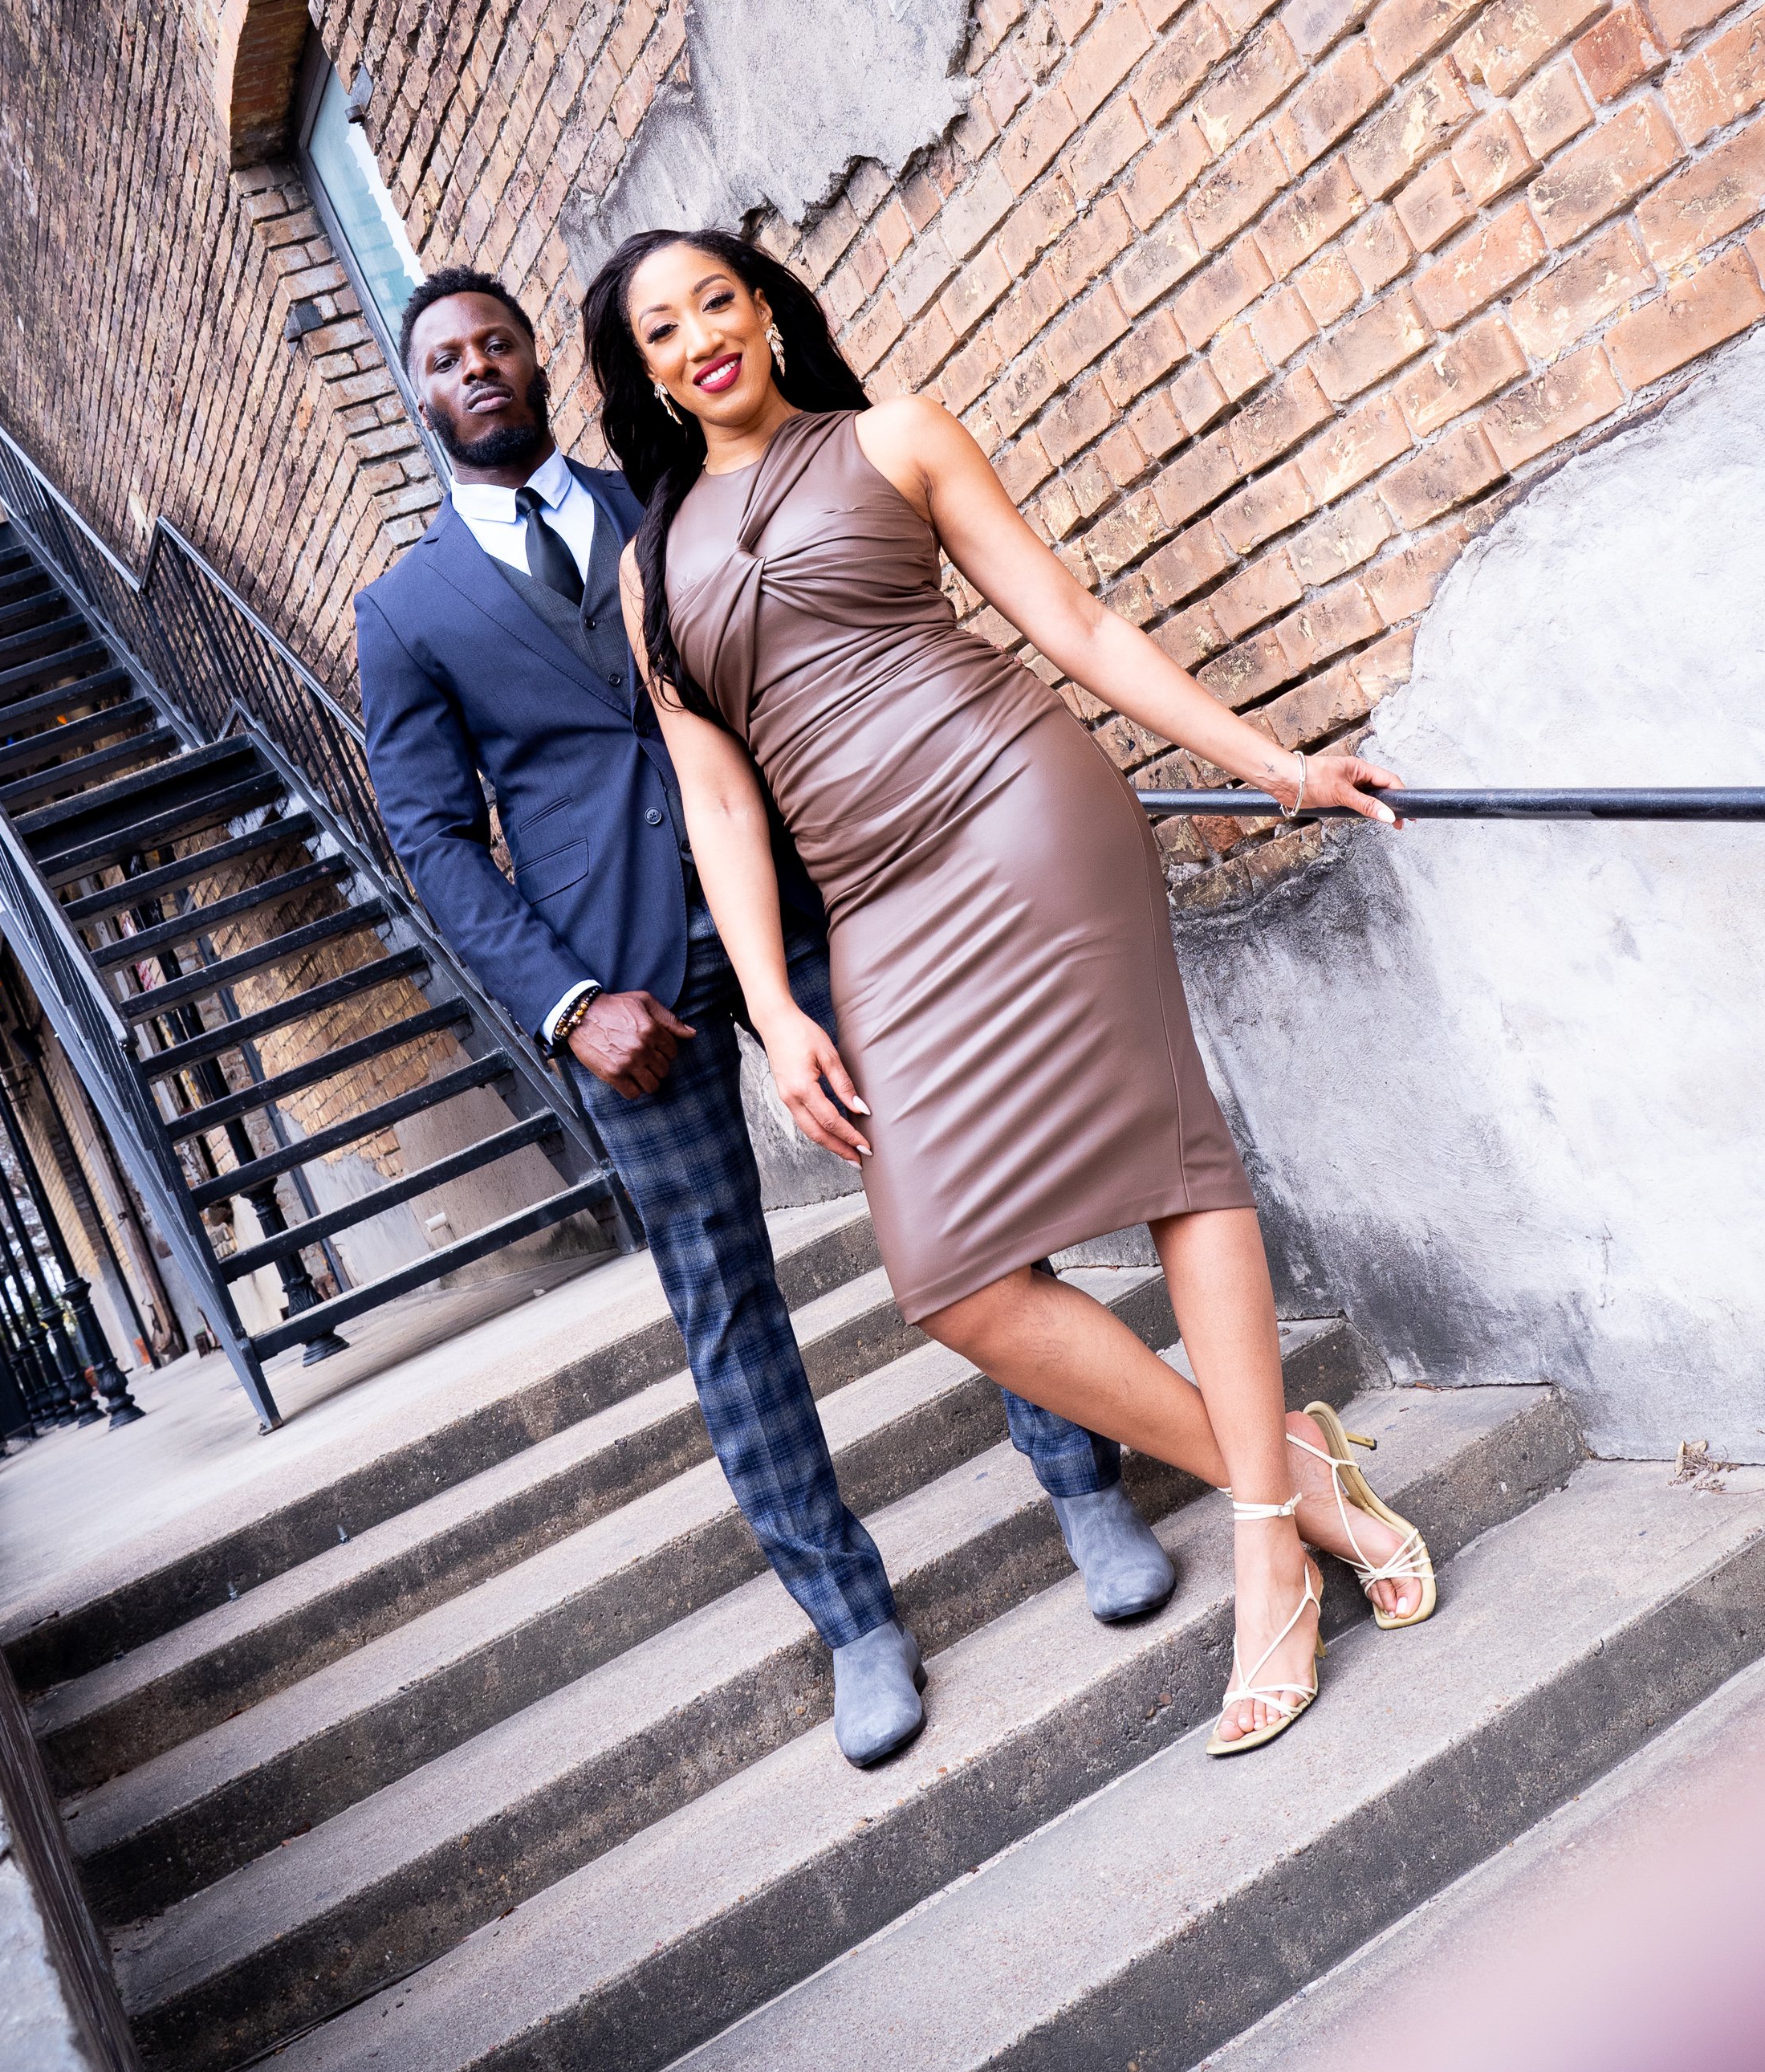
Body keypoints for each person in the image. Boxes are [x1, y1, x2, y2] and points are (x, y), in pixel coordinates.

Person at [585, 229, 1438, 1757]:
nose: (700, 337)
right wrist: (778, 1013)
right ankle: (1294, 1474)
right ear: (640, 369)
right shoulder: (651, 573)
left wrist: (1273, 765)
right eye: (662, 327)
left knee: (1176, 1165)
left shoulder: (895, 438)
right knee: (952, 1275)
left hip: (1021, 810)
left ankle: (1265, 1560)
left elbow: (1080, 628)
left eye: (718, 300)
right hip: (876, 905)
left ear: (766, 311)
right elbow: (720, 806)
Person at [355, 266, 1179, 1769]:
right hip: (620, 989)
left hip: (804, 905)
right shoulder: (405, 614)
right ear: (415, 394)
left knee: (963, 1201)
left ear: (541, 360)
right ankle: (855, 1622)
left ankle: (1086, 1486)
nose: (475, 368)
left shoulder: (666, 509)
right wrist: (562, 1003)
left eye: (495, 342)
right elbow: (429, 838)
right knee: (727, 1304)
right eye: (443, 358)